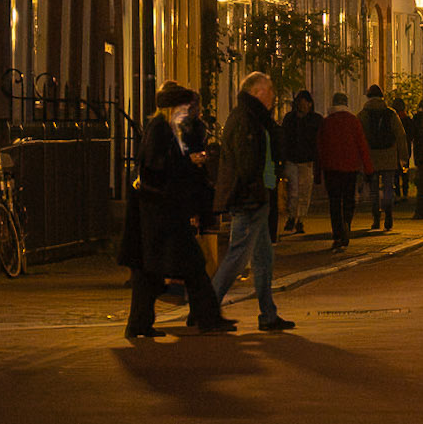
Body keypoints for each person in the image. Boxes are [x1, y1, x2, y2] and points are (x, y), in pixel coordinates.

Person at [119, 81, 229, 338]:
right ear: (171, 108)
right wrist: (188, 163)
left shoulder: (163, 130)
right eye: (182, 108)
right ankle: (208, 318)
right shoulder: (160, 131)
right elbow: (158, 169)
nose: (185, 113)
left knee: (149, 272)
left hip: (159, 213)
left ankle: (139, 323)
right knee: (191, 265)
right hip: (162, 213)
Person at [210, 71, 293, 332]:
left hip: (257, 195)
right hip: (249, 198)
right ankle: (207, 308)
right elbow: (247, 163)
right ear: (257, 92)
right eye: (269, 91)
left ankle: (268, 314)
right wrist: (256, 187)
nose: (273, 96)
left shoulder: (254, 118)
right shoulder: (247, 119)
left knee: (263, 257)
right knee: (238, 255)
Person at [315, 91, 372, 250]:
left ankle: (337, 233)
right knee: (348, 199)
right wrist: (368, 168)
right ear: (346, 104)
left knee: (334, 201)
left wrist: (318, 171)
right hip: (350, 167)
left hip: (331, 168)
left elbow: (320, 147)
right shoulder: (353, 121)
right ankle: (346, 222)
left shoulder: (326, 122)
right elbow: (362, 145)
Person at [358, 83, 407, 232]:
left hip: (371, 157)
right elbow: (401, 135)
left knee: (373, 189)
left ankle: (376, 218)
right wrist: (403, 157)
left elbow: (359, 137)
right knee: (388, 187)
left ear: (368, 97)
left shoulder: (363, 115)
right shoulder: (391, 114)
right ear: (382, 96)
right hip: (389, 156)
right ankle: (389, 212)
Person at [277, 91, 322, 234]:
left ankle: (300, 218)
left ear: (310, 104)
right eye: (300, 103)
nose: (302, 106)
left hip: (306, 161)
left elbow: (318, 142)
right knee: (293, 191)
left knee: (304, 191)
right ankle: (292, 216)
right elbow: (284, 139)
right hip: (292, 159)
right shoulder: (290, 119)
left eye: (305, 103)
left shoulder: (315, 120)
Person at [389, 94, 414, 202]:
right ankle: (405, 192)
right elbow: (412, 134)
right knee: (405, 170)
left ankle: (397, 193)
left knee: (395, 172)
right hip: (405, 147)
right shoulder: (407, 119)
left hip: (394, 148)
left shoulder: (392, 119)